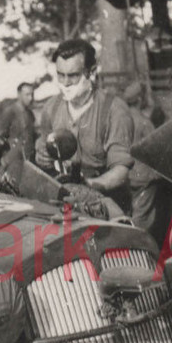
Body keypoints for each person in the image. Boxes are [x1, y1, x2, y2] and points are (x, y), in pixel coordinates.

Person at [33, 39, 134, 214]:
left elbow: (121, 170)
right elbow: (42, 147)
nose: (65, 83)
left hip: (105, 206)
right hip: (63, 207)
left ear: (92, 72)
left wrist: (87, 187)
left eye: (73, 75)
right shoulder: (51, 107)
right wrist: (41, 156)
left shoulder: (114, 110)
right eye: (60, 75)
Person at [123, 81, 172, 245]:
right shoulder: (143, 122)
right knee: (143, 218)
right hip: (143, 177)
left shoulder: (120, 120)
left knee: (129, 212)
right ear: (140, 99)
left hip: (126, 175)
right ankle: (136, 249)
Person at [0, 82, 37, 160]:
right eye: (27, 95)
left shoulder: (30, 114)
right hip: (14, 158)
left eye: (32, 94)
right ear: (19, 95)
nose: (31, 98)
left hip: (29, 157)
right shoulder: (10, 112)